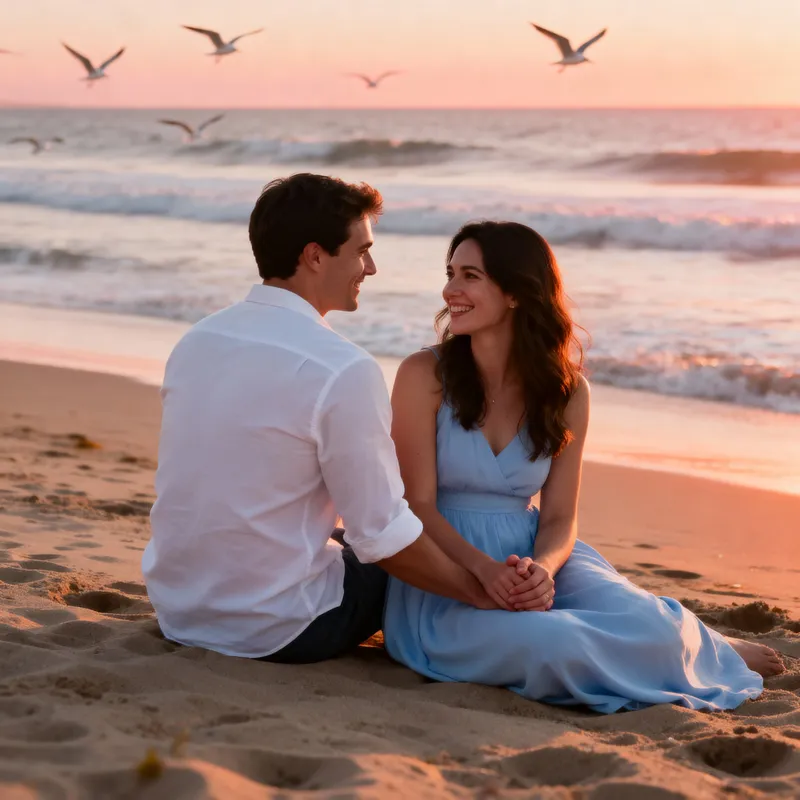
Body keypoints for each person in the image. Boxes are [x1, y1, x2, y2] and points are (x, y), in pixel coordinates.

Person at [383, 220, 784, 713]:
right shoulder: (424, 374)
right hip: (448, 570)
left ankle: (712, 647)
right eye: (450, 273)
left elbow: (559, 517)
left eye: (470, 275)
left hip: (532, 554)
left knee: (651, 625)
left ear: (515, 293)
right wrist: (484, 570)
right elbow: (416, 505)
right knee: (557, 644)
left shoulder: (567, 391)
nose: (451, 290)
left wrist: (545, 571)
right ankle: (703, 650)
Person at [142, 174, 534, 663]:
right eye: (361, 250)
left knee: (349, 532)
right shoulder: (341, 367)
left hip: (179, 610)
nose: (370, 267)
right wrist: (476, 591)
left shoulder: (198, 340)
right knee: (401, 538)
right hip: (279, 629)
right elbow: (385, 537)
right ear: (314, 256)